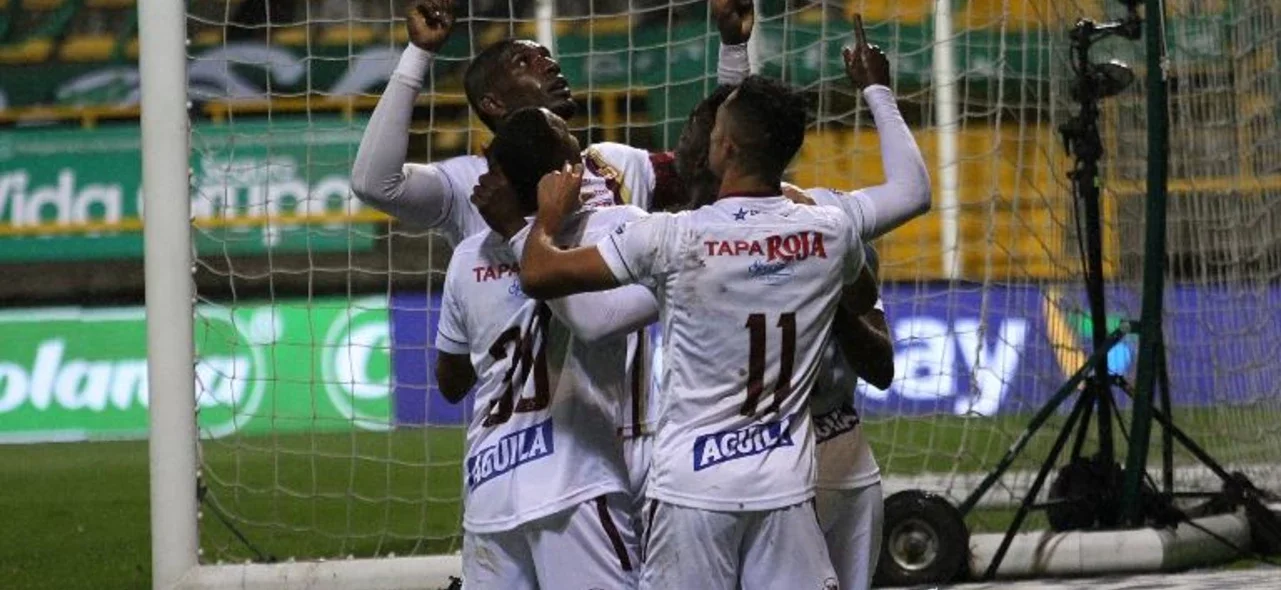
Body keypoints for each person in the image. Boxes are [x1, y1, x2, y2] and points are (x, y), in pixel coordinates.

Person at [514, 74, 878, 589]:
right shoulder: (833, 232)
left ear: (726, 147)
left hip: (690, 488)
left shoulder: (673, 236)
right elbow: (860, 297)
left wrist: (547, 218)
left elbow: (538, 275)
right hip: (785, 486)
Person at [668, 16, 921, 589]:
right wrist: (876, 90)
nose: (690, 145)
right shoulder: (825, 222)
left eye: (700, 135)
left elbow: (880, 366)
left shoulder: (678, 240)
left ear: (723, 148)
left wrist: (822, 292)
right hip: (763, 459)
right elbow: (913, 193)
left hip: (803, 451)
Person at [432, 106, 657, 588]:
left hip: (490, 491)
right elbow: (599, 322)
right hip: (575, 487)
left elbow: (450, 382)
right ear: (567, 176)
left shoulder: (467, 256)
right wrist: (523, 236)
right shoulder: (617, 230)